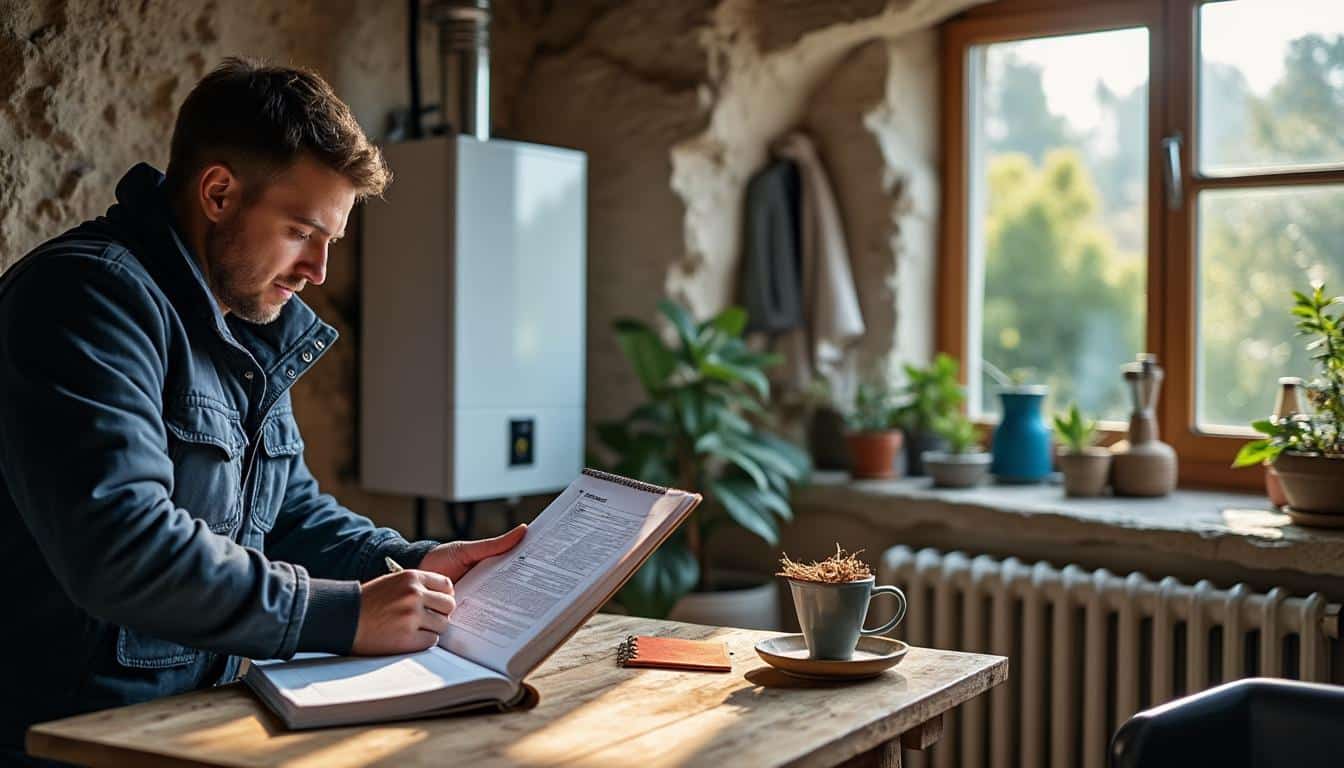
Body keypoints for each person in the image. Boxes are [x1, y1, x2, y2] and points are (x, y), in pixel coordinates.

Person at [0, 58, 525, 760]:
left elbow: (285, 514)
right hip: (65, 741)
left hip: (186, 731)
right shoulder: (86, 299)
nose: (319, 271)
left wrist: (412, 561)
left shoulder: (239, 321)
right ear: (217, 192)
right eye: (302, 231)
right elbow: (122, 547)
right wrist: (339, 616)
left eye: (330, 241)